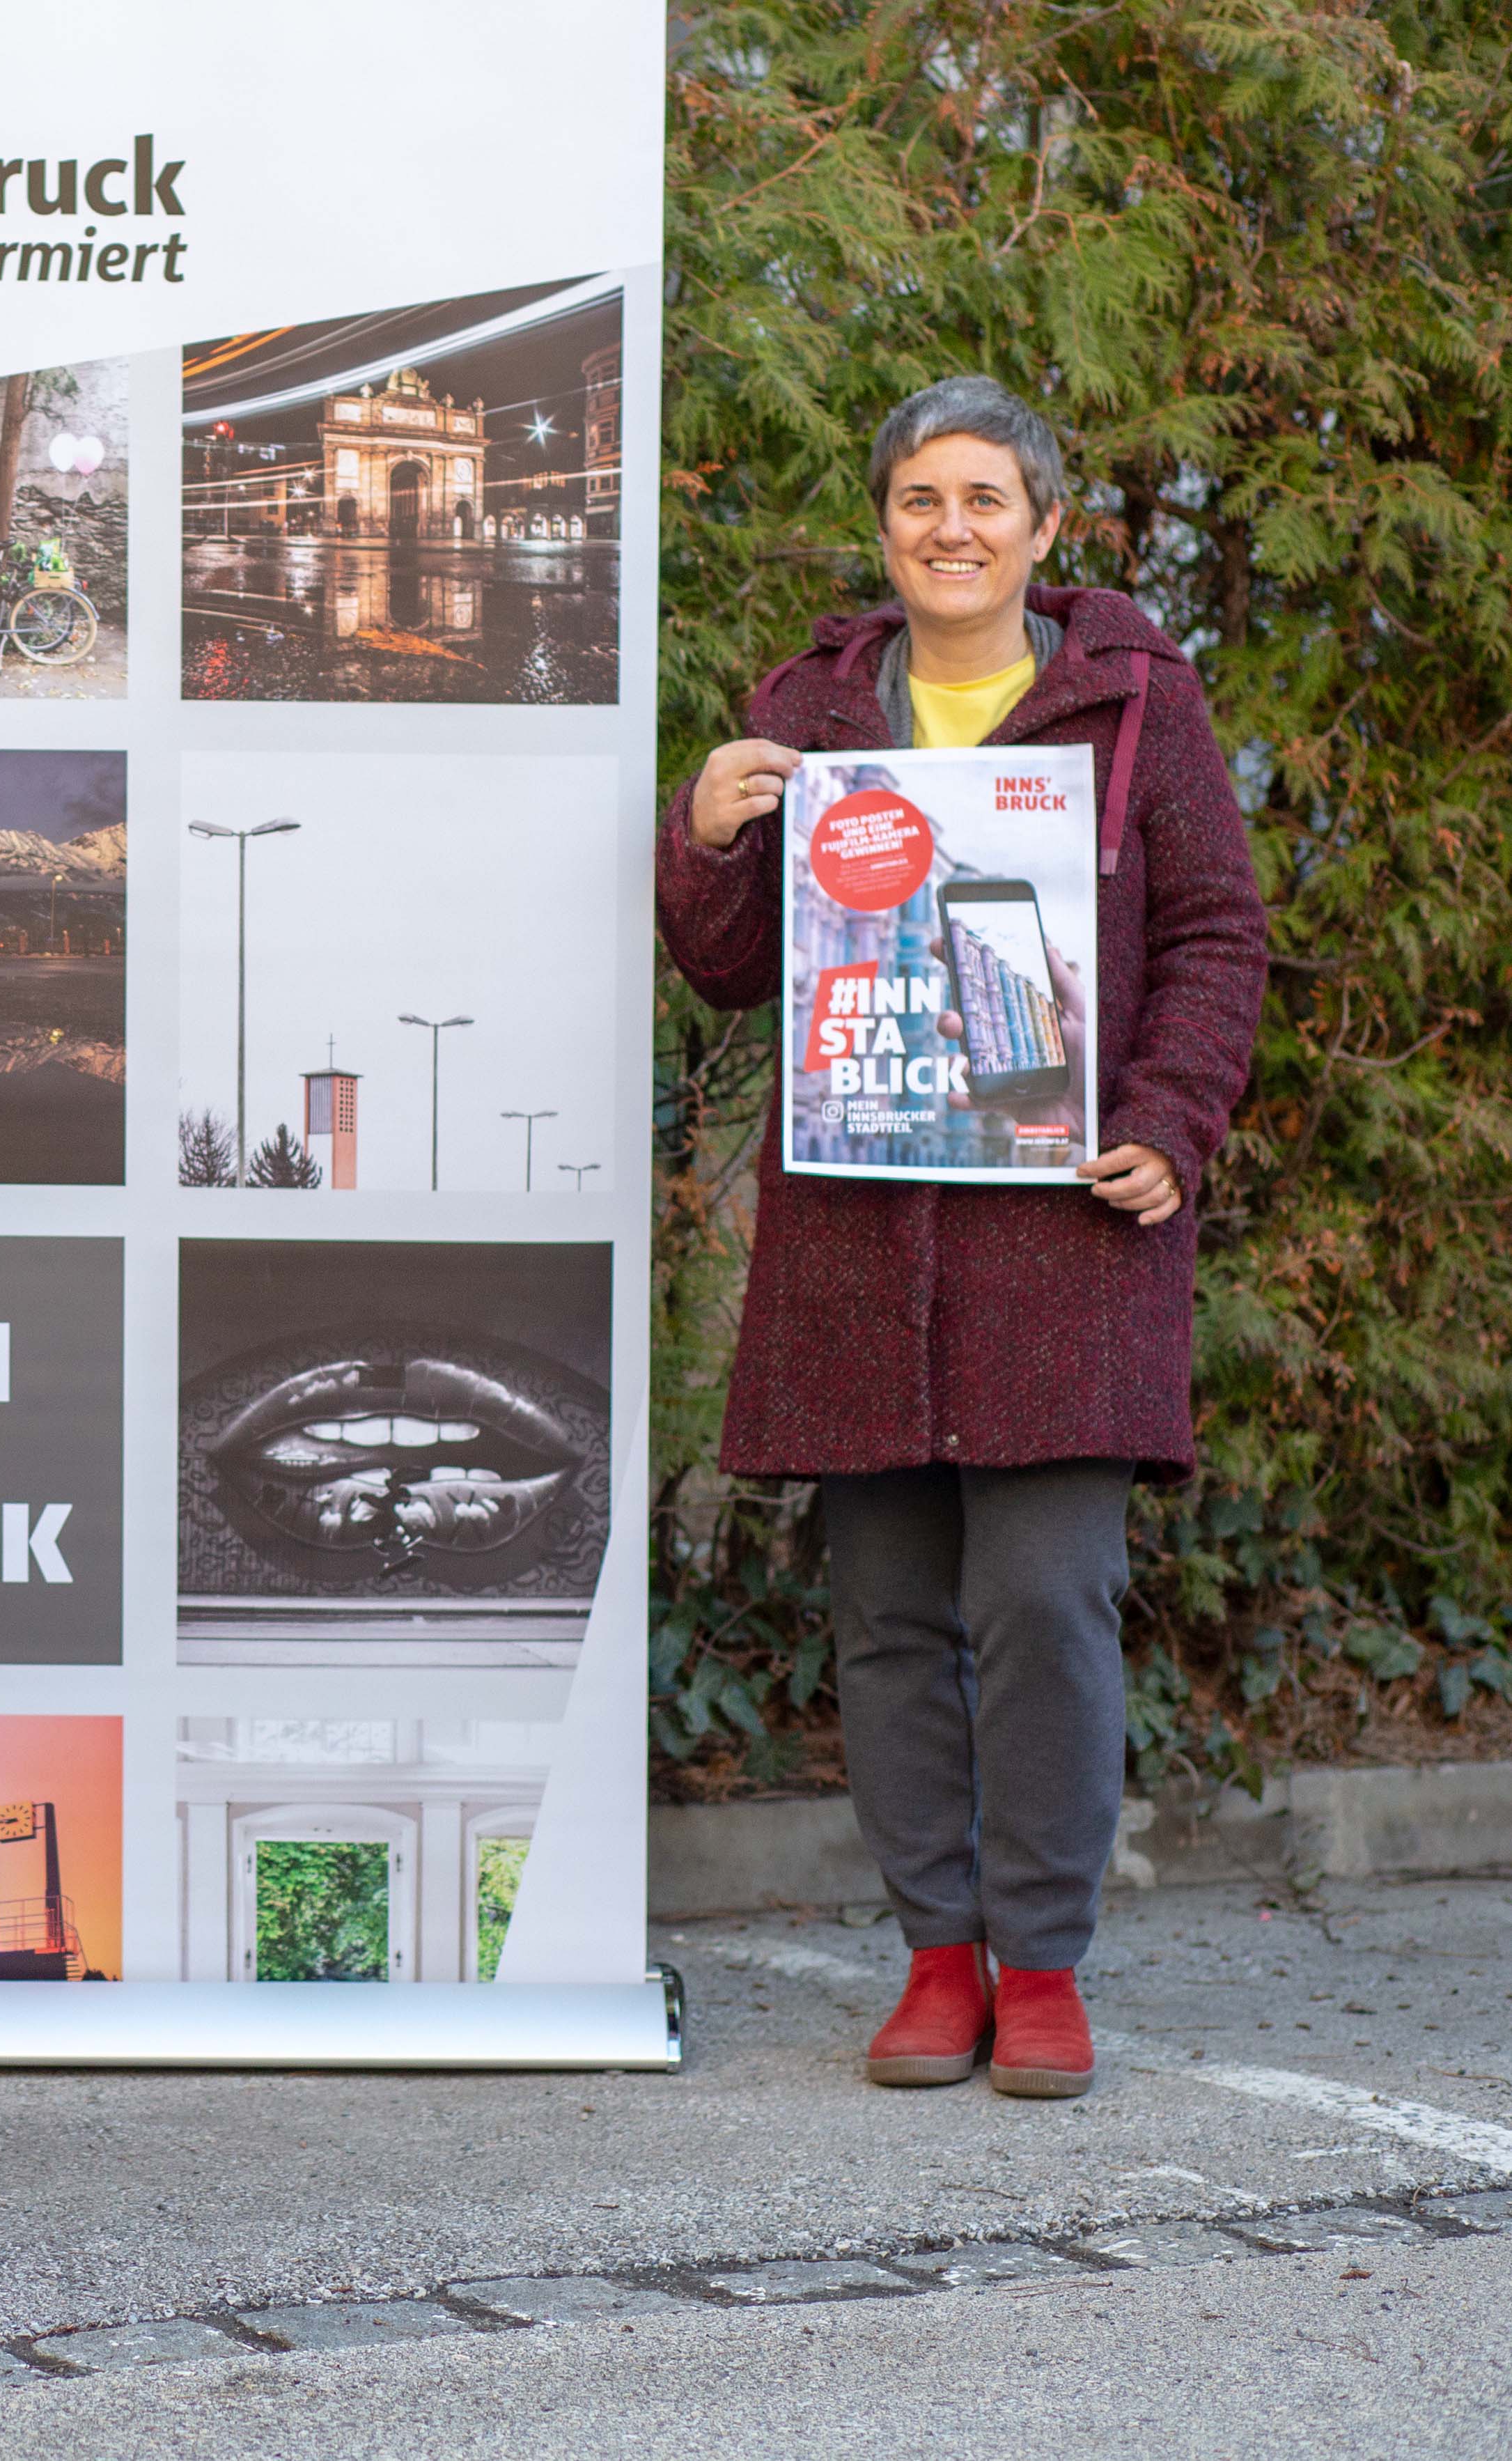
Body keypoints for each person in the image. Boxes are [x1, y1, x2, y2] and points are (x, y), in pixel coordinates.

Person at [659, 375, 1264, 2099]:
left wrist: (1166, 1126)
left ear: (1045, 528)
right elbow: (723, 965)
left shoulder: (1136, 708)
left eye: (985, 499)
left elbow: (1217, 935)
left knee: (1045, 1604)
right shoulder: (809, 714)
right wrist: (702, 836)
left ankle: (1044, 1964)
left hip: (1065, 1245)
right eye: (919, 498)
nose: (951, 529)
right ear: (884, 526)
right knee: (889, 1620)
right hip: (860, 1239)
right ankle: (936, 1959)